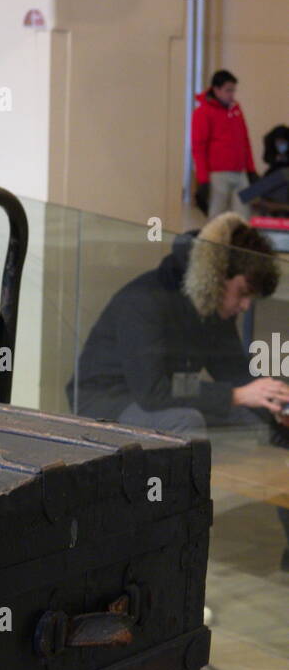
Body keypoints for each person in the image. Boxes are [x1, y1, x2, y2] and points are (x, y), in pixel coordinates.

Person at [67, 212, 289, 565]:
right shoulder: (145, 300)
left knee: (268, 418)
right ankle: (172, 560)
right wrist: (236, 395)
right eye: (243, 294)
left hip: (166, 395)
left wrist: (276, 402)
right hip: (106, 401)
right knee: (185, 423)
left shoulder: (211, 307)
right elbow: (152, 390)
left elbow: (237, 375)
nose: (245, 306)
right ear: (218, 277)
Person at [191, 70, 258, 219]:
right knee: (217, 218)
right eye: (228, 90)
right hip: (218, 174)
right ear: (216, 89)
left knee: (243, 216)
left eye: (233, 90)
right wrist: (203, 180)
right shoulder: (203, 112)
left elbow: (245, 141)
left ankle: (239, 243)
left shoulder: (236, 110)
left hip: (240, 173)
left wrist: (251, 169)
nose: (232, 94)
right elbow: (198, 148)